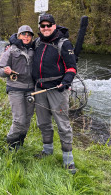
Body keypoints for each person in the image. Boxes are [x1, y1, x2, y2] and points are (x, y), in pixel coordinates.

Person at [32, 14, 77, 174]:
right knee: (43, 123)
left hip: (57, 89)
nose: (45, 28)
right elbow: (23, 48)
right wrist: (11, 44)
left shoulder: (63, 44)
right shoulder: (37, 43)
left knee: (63, 125)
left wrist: (66, 82)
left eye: (48, 25)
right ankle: (47, 151)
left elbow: (72, 68)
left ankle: (68, 160)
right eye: (42, 26)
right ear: (39, 27)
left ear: (54, 26)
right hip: (40, 89)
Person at [0, 25, 35, 150]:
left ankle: (20, 144)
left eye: (29, 34)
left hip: (31, 90)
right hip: (15, 88)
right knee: (19, 120)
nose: (26, 36)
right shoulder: (10, 50)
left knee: (27, 120)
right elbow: (0, 71)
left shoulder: (35, 50)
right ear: (18, 35)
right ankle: (10, 146)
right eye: (23, 34)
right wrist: (6, 71)